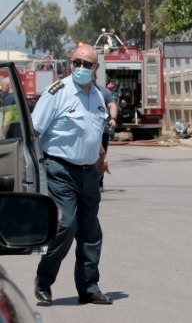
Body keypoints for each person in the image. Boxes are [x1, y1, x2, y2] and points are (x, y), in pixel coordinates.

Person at [31, 43, 113, 306]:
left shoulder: (98, 96)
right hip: (59, 169)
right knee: (66, 224)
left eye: (86, 64)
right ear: (70, 63)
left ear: (95, 69)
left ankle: (89, 287)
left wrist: (101, 158)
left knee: (90, 230)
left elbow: (96, 130)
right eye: (76, 62)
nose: (80, 68)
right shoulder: (57, 92)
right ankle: (44, 282)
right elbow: (34, 131)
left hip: (89, 172)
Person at [95, 77, 118, 191]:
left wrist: (113, 118)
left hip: (102, 129)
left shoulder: (104, 92)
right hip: (85, 130)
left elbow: (112, 105)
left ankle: (99, 182)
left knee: (101, 155)